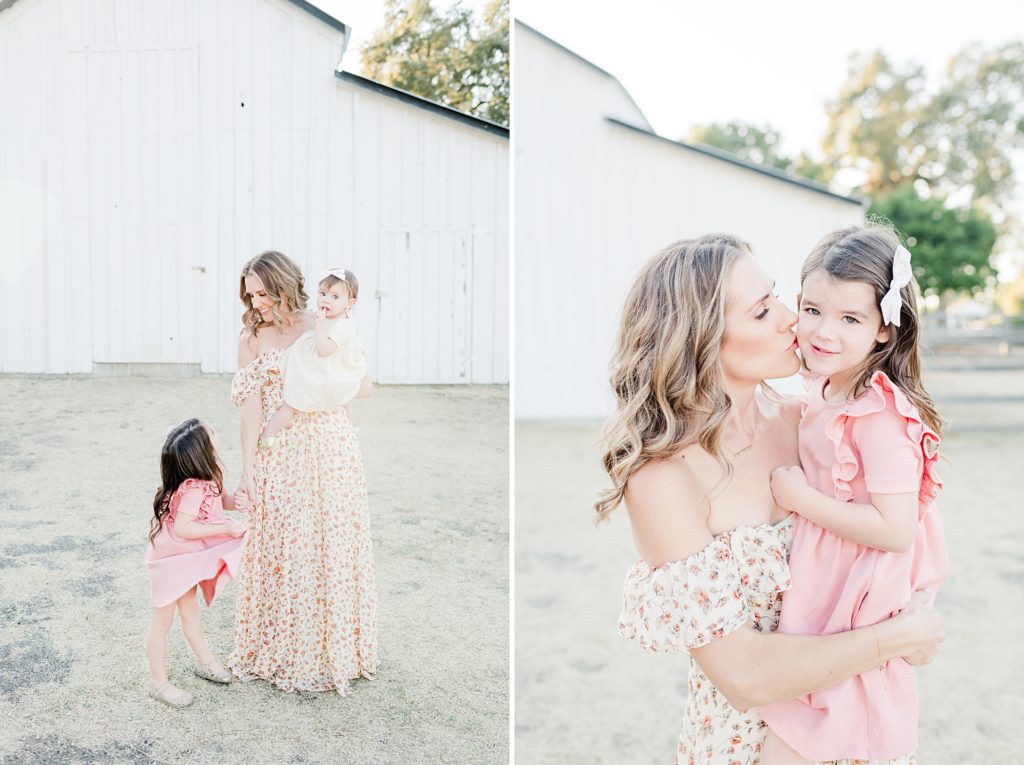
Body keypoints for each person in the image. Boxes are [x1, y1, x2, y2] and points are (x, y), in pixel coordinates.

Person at [599, 234, 944, 765]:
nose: (792, 319)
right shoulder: (664, 481)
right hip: (749, 743)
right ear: (701, 339)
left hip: (851, 724)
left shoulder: (808, 424)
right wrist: (894, 640)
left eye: (779, 296)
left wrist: (918, 608)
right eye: (763, 311)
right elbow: (744, 675)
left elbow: (896, 535)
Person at [758, 225, 949, 764]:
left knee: (837, 717)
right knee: (805, 700)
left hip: (861, 587)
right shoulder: (825, 386)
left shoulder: (879, 414)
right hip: (829, 572)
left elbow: (896, 530)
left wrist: (801, 500)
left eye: (850, 319)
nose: (824, 332)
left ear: (884, 332)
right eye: (813, 309)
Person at [228, 250, 378, 694]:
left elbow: (361, 384)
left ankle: (331, 650)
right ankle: (283, 649)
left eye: (264, 292)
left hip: (331, 446)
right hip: (281, 451)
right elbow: (251, 408)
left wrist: (322, 396)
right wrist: (248, 470)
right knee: (284, 549)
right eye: (250, 294)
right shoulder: (251, 337)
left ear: (285, 285)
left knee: (328, 545)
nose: (257, 301)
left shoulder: (322, 326)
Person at [145, 418, 249, 708]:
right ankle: (158, 683)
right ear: (202, 449)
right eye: (210, 430)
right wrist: (225, 529)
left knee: (189, 611)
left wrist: (234, 502)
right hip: (171, 559)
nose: (216, 428)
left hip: (186, 557)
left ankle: (205, 662)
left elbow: (217, 501)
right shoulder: (192, 488)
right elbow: (184, 528)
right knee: (162, 623)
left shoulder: (211, 472)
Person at [260, 267, 367, 447]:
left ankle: (268, 433)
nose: (326, 299)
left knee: (295, 399)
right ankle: (349, 427)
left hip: (326, 367)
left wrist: (319, 326)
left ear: (349, 303)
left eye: (335, 297)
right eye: (323, 293)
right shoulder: (328, 317)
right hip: (318, 364)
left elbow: (323, 351)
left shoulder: (344, 326)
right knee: (335, 399)